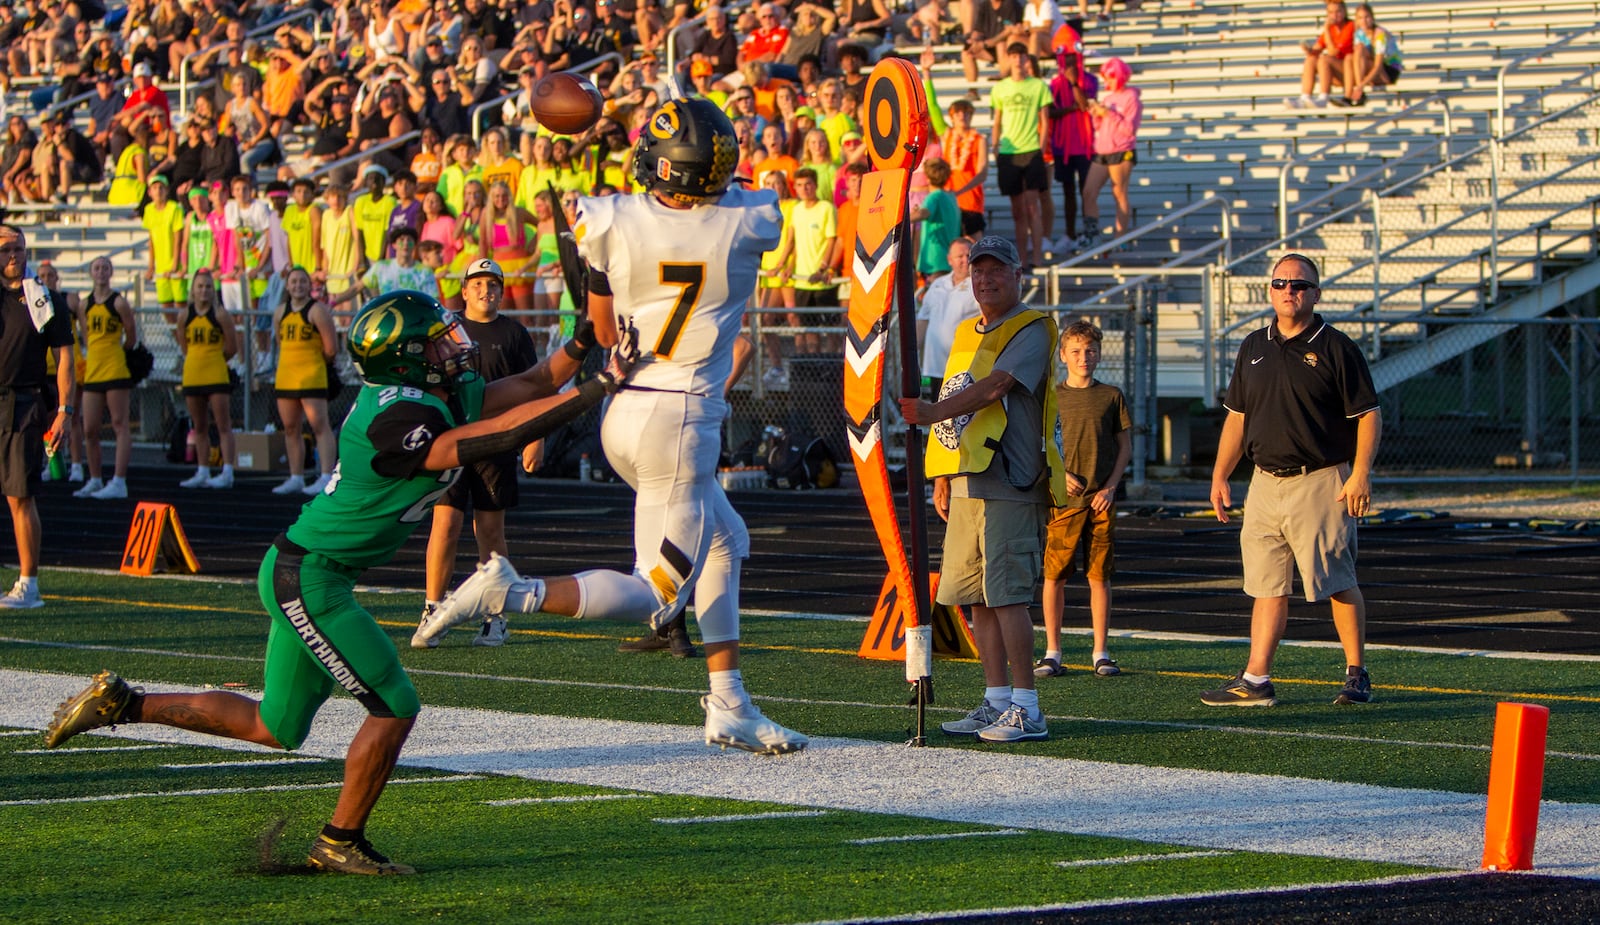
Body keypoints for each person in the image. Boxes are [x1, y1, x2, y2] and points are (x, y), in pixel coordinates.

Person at [43, 288, 632, 875]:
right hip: (311, 578)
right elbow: (495, 436)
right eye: (437, 340)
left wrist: (587, 335)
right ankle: (339, 839)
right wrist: (597, 390)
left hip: (307, 569)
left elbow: (529, 386)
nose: (455, 345)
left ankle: (124, 702)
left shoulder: (432, 389)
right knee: (395, 704)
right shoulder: (396, 416)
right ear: (406, 358)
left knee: (276, 725)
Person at [415, 97, 808, 756]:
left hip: (623, 409)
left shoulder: (611, 219)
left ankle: (729, 700)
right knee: (657, 593)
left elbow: (600, 330)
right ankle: (511, 591)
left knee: (725, 539)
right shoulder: (750, 219)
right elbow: (727, 191)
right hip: (681, 421)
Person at [898, 234, 1063, 743]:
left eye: (996, 269)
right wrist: (944, 470)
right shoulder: (969, 328)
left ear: (1018, 275)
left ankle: (1027, 707)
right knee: (976, 596)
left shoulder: (1034, 327)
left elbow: (993, 387)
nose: (986, 278)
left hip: (1012, 477)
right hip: (971, 476)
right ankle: (995, 700)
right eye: (978, 269)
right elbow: (957, 392)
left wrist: (929, 416)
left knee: (1008, 595)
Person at [1201, 254, 1381, 708]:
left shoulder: (1337, 347)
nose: (1289, 291)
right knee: (1265, 584)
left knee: (1336, 579)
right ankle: (1256, 679)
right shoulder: (1252, 345)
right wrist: (1221, 473)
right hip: (1264, 482)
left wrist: (1360, 473)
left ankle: (1356, 673)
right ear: (1270, 290)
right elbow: (1237, 418)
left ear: (1316, 293)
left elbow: (1368, 415)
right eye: (1280, 283)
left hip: (1320, 479)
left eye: (1299, 285)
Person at [421, 258, 540, 647]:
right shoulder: (446, 328)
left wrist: (536, 436)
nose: (485, 290)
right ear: (465, 289)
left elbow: (536, 388)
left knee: (490, 530)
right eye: (478, 284)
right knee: (446, 526)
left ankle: (495, 615)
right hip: (453, 440)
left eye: (492, 285)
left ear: (501, 292)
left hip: (496, 441)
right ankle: (433, 608)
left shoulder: (514, 334)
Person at [1033, 320, 1131, 680]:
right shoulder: (1051, 397)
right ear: (1063, 355)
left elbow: (1125, 447)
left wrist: (1111, 487)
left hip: (1101, 501)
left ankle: (1101, 651)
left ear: (1100, 353)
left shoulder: (1111, 396)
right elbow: (1039, 447)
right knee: (1054, 575)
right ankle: (1052, 651)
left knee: (1099, 575)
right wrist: (1059, 476)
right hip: (1062, 501)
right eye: (1075, 351)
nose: (1083, 357)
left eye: (1090, 350)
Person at [0, 225, 75, 609]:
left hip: (23, 404)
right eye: (5, 249)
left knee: (20, 495)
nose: (13, 256)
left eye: (19, 248)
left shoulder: (43, 299)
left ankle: (29, 584)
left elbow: (64, 358)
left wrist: (64, 410)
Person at [271, 266, 339, 496]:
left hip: (312, 376)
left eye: (302, 281)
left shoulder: (317, 310)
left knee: (319, 425)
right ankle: (296, 476)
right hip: (287, 376)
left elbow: (331, 348)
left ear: (309, 285)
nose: (298, 285)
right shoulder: (280, 311)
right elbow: (281, 343)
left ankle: (326, 475)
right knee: (291, 428)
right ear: (287, 285)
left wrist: (314, 362)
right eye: (294, 281)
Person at [73, 256, 137, 500]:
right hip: (94, 369)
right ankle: (95, 479)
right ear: (91, 272)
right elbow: (86, 336)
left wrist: (121, 353)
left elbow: (131, 334)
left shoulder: (118, 302)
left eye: (105, 268)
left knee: (120, 424)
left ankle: (119, 481)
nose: (101, 272)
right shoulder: (84, 304)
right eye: (97, 268)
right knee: (89, 428)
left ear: (111, 272)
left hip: (115, 367)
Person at [175, 269, 240, 490]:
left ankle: (227, 471)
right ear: (193, 290)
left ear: (214, 290)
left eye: (208, 287)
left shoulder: (221, 315)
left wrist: (213, 359)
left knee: (223, 424)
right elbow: (184, 346)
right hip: (193, 374)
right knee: (199, 426)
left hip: (216, 374)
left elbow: (231, 347)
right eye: (200, 286)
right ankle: (202, 470)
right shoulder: (185, 315)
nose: (204, 290)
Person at [990, 43, 1050, 269]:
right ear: (1008, 58)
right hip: (1008, 151)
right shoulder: (1000, 88)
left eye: (1020, 56)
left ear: (1026, 59)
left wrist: (1041, 148)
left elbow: (1044, 120)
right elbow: (996, 120)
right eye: (1013, 56)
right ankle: (1021, 260)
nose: (1017, 60)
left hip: (1031, 149)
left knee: (1032, 207)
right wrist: (995, 145)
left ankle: (1036, 257)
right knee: (1017, 211)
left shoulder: (1038, 86)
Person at [1080, 57, 1140, 241]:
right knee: (1088, 192)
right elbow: (1101, 127)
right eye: (1106, 77)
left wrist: (1110, 114)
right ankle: (1092, 234)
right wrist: (1097, 115)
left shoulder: (1131, 98)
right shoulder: (1108, 98)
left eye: (1111, 77)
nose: (1108, 81)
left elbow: (1129, 130)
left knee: (1119, 192)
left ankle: (1120, 237)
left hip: (1121, 150)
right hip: (1103, 150)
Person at [915, 236, 979, 397]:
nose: (965, 260)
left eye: (968, 255)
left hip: (964, 367)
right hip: (936, 366)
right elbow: (924, 319)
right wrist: (910, 353)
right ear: (949, 260)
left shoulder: (980, 285)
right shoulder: (937, 284)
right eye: (960, 256)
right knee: (938, 417)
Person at [1288, 0, 1354, 109]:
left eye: (1338, 11)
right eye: (1331, 12)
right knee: (1311, 59)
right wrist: (1308, 49)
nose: (1335, 15)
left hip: (1348, 71)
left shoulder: (1350, 26)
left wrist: (1326, 29)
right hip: (1336, 70)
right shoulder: (1331, 29)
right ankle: (1305, 97)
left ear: (1344, 12)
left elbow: (1333, 52)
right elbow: (1316, 48)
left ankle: (1324, 98)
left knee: (1324, 59)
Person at [1338, 3, 1402, 107]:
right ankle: (1347, 96)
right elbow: (1358, 58)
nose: (1364, 21)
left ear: (1372, 18)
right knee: (1349, 57)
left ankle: (1360, 91)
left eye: (1367, 17)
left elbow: (1378, 65)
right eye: (1360, 18)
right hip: (1370, 66)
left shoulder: (1380, 34)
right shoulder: (1359, 34)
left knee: (1358, 50)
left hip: (1386, 70)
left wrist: (1360, 85)